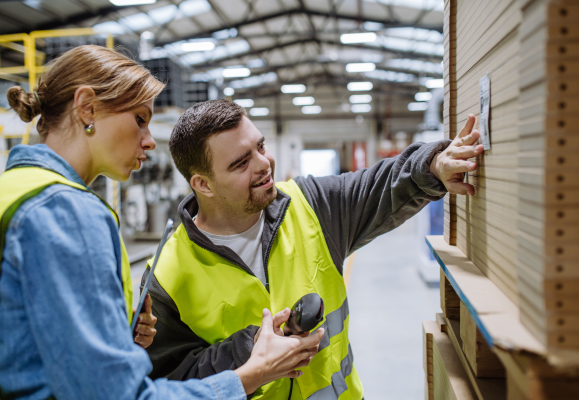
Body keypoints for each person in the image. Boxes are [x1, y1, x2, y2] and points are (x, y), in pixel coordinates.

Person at [0, 45, 323, 400]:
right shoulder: (67, 211)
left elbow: (20, 340)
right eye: (140, 120)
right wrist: (252, 374)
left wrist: (112, 337)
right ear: (86, 108)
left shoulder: (6, 192)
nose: (148, 141)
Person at [142, 99, 484, 399]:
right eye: (241, 163)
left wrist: (435, 166)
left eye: (260, 147)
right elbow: (168, 382)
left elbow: (381, 183)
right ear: (203, 184)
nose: (263, 164)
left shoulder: (310, 206)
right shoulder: (165, 276)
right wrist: (249, 351)